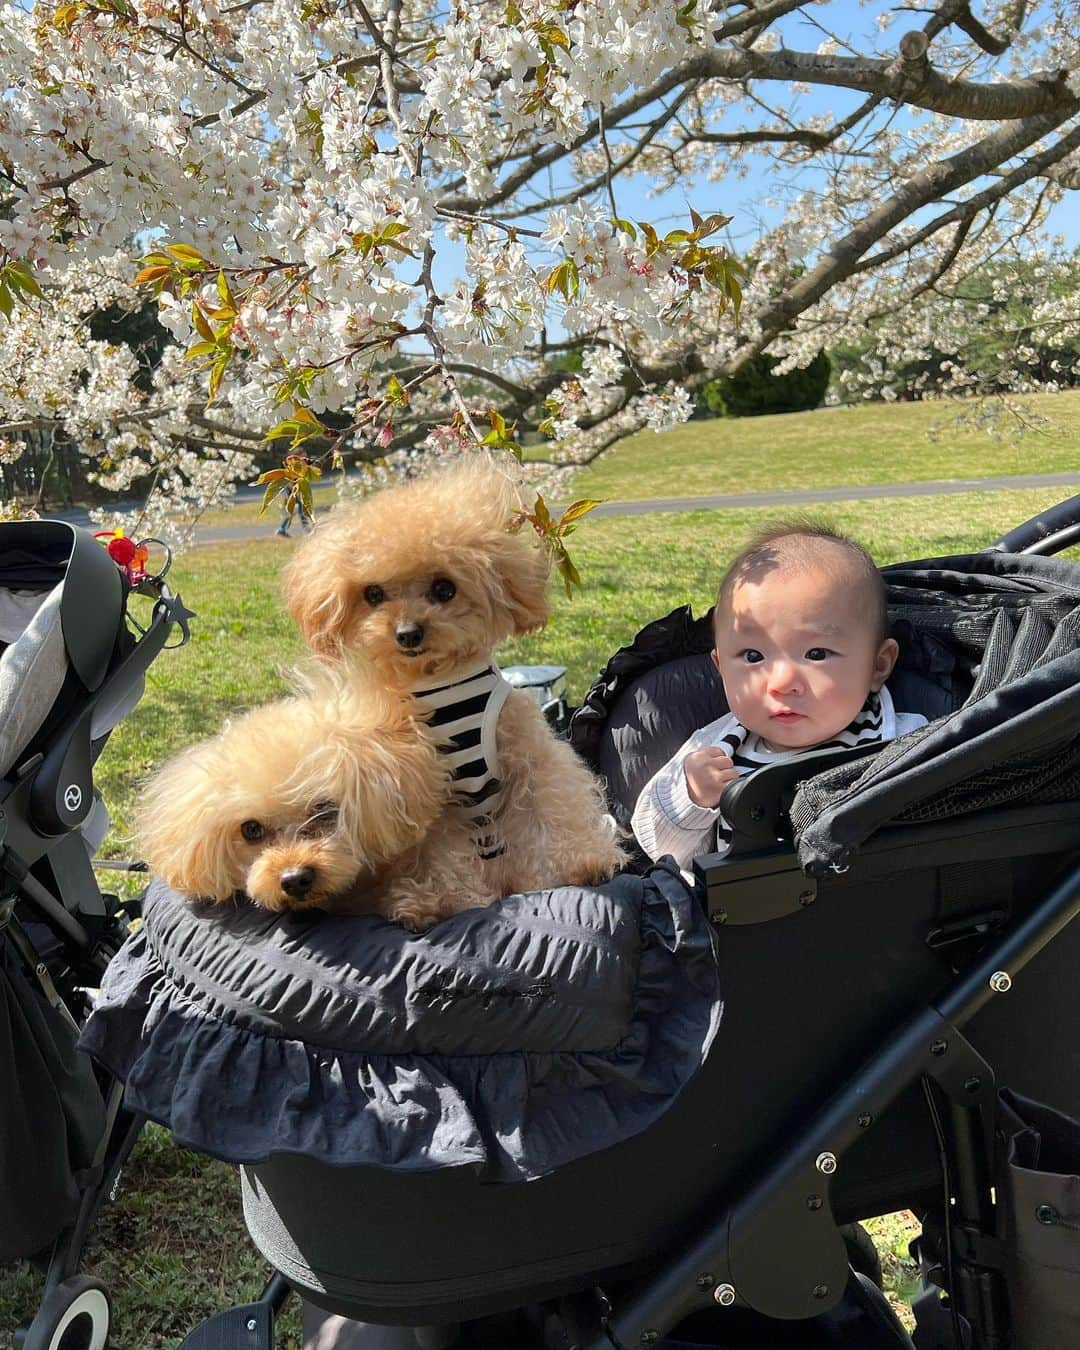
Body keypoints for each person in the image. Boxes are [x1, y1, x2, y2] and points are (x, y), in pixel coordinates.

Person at [632, 522, 927, 870]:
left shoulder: (904, 742)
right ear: (721, 666)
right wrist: (692, 799)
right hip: (744, 917)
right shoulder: (715, 748)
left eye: (816, 654)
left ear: (877, 666)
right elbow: (659, 847)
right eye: (753, 657)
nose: (782, 682)